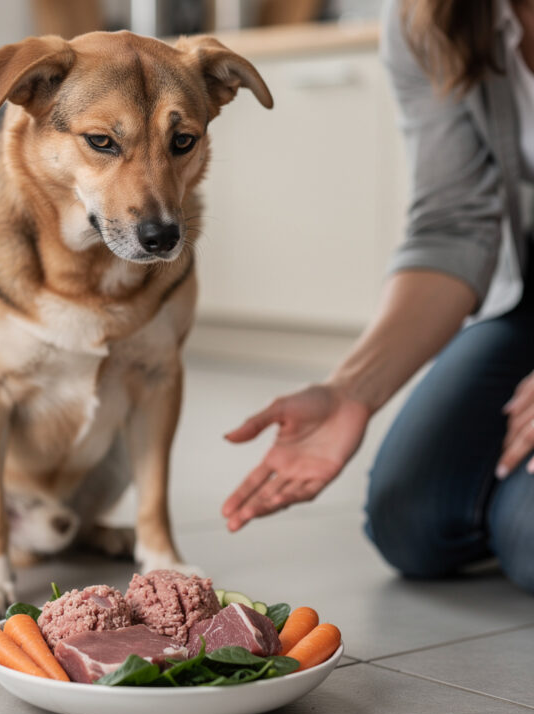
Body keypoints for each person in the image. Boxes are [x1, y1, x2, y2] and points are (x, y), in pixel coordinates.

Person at [222, 0, 534, 594]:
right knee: (413, 523)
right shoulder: (429, 19)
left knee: (528, 540)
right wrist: (351, 388)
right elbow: (452, 226)